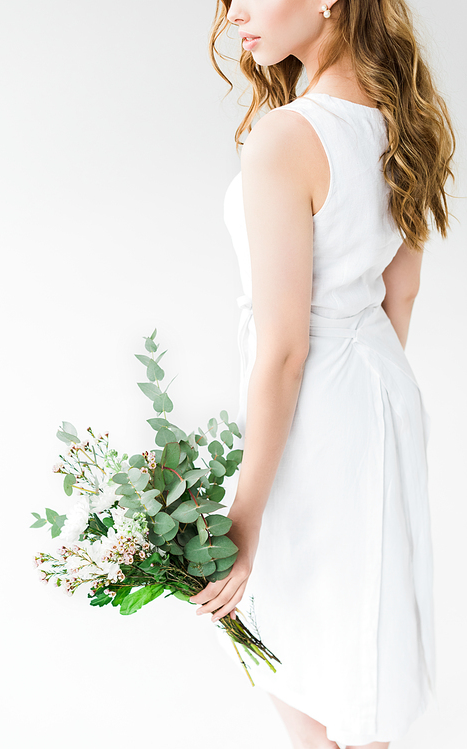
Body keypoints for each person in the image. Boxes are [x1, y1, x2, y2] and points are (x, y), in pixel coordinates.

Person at [189, 1, 456, 747]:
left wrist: (245, 517)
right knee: (351, 644)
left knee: (273, 617)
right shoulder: (404, 119)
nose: (234, 14)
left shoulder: (286, 137)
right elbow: (398, 294)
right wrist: (370, 411)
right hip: (374, 391)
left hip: (313, 404)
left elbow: (284, 347)